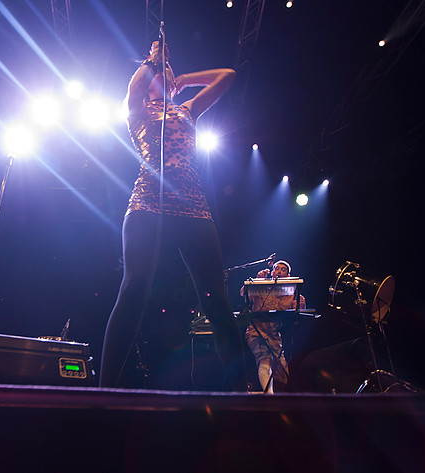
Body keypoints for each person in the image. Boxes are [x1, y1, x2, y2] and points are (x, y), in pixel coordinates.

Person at [100, 41, 245, 390]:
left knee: (216, 296)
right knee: (134, 289)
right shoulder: (136, 109)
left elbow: (228, 76)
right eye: (156, 74)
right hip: (148, 203)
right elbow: (136, 85)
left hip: (193, 206)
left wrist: (181, 78)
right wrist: (154, 60)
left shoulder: (188, 110)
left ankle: (243, 393)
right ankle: (103, 392)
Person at [240, 260, 306, 393]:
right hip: (256, 331)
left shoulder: (291, 292)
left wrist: (300, 305)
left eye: (283, 270)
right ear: (272, 272)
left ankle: (280, 400)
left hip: (274, 336)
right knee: (264, 359)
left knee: (282, 372)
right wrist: (257, 281)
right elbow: (243, 293)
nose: (279, 272)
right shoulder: (263, 286)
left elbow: (298, 316)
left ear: (288, 275)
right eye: (277, 269)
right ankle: (269, 396)